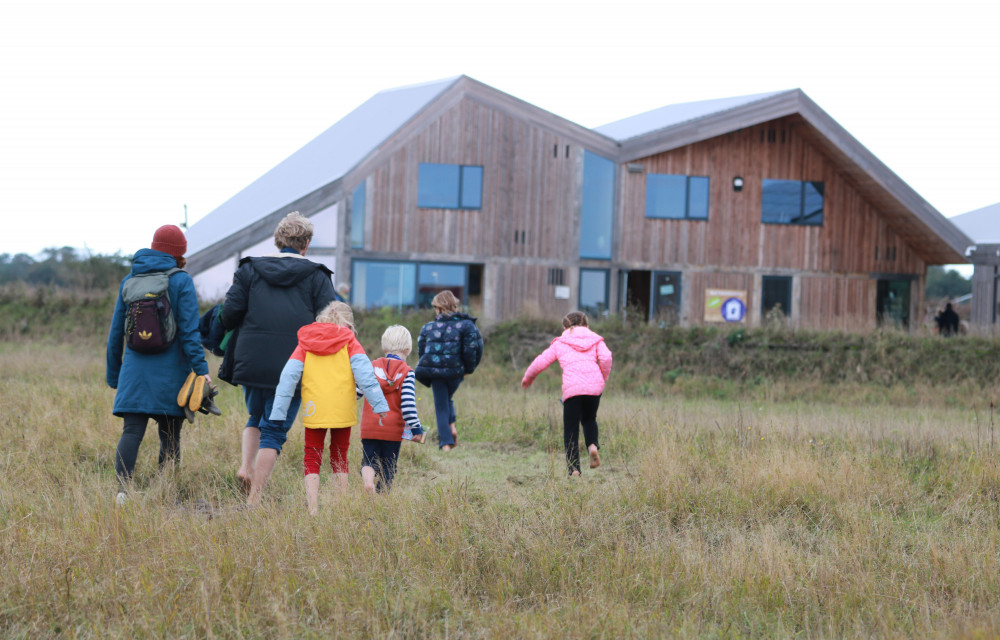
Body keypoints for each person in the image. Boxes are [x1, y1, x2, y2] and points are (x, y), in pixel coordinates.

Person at [219, 212, 336, 500]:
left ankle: (246, 467)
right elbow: (329, 323)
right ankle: (255, 500)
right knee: (274, 430)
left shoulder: (249, 269)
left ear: (278, 240)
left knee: (256, 415)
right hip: (294, 364)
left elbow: (229, 313)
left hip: (251, 360)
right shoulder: (317, 276)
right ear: (305, 243)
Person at [106, 224, 210, 504]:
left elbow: (116, 334)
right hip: (171, 373)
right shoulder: (181, 281)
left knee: (132, 432)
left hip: (134, 373)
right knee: (170, 436)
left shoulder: (130, 280)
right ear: (180, 254)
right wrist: (202, 371)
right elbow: (189, 334)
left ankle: (121, 493)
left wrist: (115, 376)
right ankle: (166, 494)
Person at [265, 301, 387, 514]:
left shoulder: (306, 341)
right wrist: (379, 404)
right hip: (342, 408)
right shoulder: (350, 340)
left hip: (315, 407)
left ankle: (313, 509)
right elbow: (366, 375)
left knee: (312, 455)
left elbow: (288, 377)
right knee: (340, 455)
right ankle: (340, 508)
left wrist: (278, 411)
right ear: (347, 321)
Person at [521, 311, 613, 477]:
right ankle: (592, 446)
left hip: (572, 389)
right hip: (594, 387)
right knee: (589, 419)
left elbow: (541, 361)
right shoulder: (596, 339)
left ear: (564, 327)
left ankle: (574, 470)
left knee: (571, 430)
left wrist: (528, 378)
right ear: (586, 325)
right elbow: (606, 358)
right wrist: (603, 377)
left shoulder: (560, 342)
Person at [359, 325, 426, 494]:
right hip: (392, 431)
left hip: (369, 427)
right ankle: (382, 498)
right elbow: (408, 404)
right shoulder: (407, 373)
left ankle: (368, 481)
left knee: (368, 460)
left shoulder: (371, 366)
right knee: (388, 466)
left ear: (384, 348)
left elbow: (357, 392)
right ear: (407, 349)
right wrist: (416, 427)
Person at [415, 290, 483, 451]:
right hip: (456, 373)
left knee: (441, 407)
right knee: (447, 399)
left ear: (438, 308)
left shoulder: (428, 327)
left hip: (436, 374)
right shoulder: (467, 325)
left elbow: (421, 351)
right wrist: (468, 369)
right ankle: (451, 426)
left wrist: (428, 366)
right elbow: (475, 349)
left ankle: (445, 443)